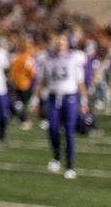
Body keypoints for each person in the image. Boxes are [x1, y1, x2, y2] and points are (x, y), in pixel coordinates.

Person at [38, 33, 87, 179]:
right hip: (53, 97)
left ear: (67, 43)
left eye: (62, 41)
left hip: (69, 97)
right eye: (58, 41)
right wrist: (35, 99)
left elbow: (80, 82)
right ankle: (56, 156)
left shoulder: (74, 57)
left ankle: (70, 166)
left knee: (69, 131)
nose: (60, 43)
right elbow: (43, 81)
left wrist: (84, 101)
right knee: (52, 129)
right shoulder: (47, 58)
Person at [8, 37, 37, 129]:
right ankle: (24, 120)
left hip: (15, 83)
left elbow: (11, 69)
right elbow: (31, 73)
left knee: (19, 103)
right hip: (24, 84)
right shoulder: (27, 58)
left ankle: (19, 117)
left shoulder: (16, 57)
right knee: (24, 104)